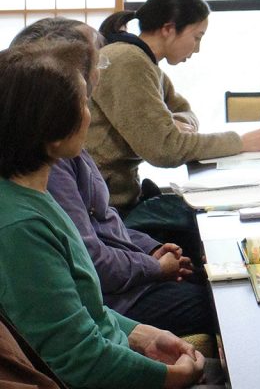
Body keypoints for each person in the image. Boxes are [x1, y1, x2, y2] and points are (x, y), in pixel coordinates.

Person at [0, 40, 205, 388]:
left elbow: (83, 311)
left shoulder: (33, 194)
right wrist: (167, 377)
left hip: (115, 349)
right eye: (83, 102)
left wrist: (142, 335)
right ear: (50, 129)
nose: (89, 113)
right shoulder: (21, 226)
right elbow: (76, 360)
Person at [88, 0, 260, 211]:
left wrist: (174, 123)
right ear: (169, 29)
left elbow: (185, 111)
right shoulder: (127, 62)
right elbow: (166, 150)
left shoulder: (143, 61)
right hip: (105, 208)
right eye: (197, 37)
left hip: (120, 198)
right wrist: (241, 142)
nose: (197, 48)